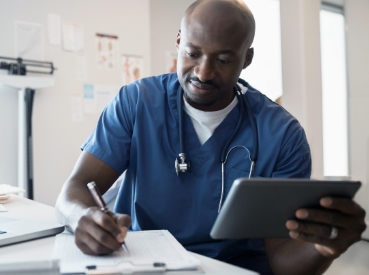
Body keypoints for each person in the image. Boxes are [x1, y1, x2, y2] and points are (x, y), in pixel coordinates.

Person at [55, 0, 366, 274]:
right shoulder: (137, 103)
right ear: (178, 42)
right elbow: (74, 190)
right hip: (142, 265)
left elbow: (283, 262)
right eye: (192, 53)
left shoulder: (282, 134)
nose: (203, 73)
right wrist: (83, 218)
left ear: (247, 59)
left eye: (223, 59)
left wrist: (326, 248)